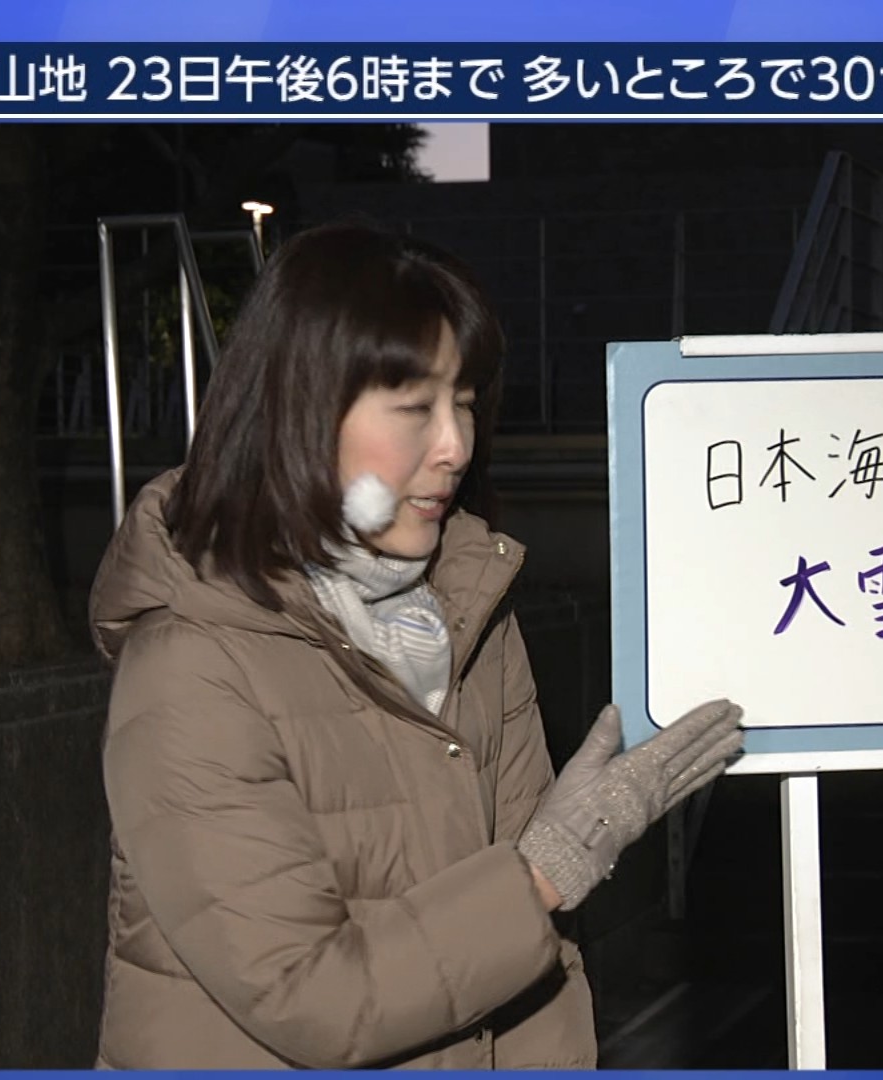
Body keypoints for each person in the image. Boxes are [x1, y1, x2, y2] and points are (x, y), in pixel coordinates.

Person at [86, 220, 745, 1070]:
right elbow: (311, 996)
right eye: (414, 410)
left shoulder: (470, 612)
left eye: (464, 402)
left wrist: (546, 876)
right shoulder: (190, 665)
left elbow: (539, 960)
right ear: (301, 417)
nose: (456, 446)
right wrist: (546, 869)